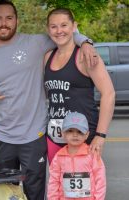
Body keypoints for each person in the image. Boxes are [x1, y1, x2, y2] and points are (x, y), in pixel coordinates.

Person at [0, 1, 98, 199]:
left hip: (34, 136)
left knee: (35, 192)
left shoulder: (35, 42)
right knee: (6, 193)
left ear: (16, 20)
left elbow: (64, 35)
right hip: (2, 137)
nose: (4, 23)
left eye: (9, 18)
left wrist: (86, 42)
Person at [44, 8, 115, 164]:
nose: (59, 31)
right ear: (48, 29)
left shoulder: (85, 55)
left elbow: (108, 93)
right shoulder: (48, 57)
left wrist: (100, 135)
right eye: (54, 26)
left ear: (74, 26)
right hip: (55, 137)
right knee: (58, 185)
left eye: (64, 25)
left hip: (83, 137)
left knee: (86, 187)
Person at [47, 112, 106, 199]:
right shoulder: (59, 157)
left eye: (80, 132)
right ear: (63, 134)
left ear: (86, 135)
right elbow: (53, 181)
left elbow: (100, 180)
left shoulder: (92, 155)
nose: (75, 135)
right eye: (70, 131)